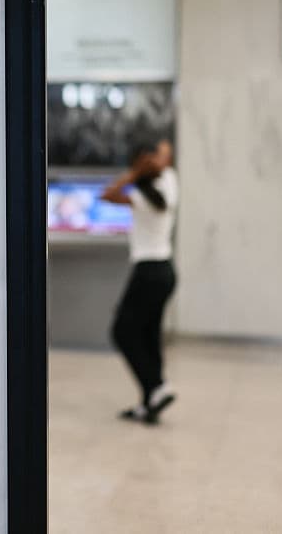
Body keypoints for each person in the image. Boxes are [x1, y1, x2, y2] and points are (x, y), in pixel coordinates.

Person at [101, 138, 178, 424]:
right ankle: (149, 401)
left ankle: (157, 387)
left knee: (122, 331)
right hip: (166, 271)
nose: (160, 160)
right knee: (148, 335)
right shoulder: (169, 182)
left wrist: (135, 173)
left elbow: (107, 194)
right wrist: (142, 172)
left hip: (148, 272)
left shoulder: (143, 195)